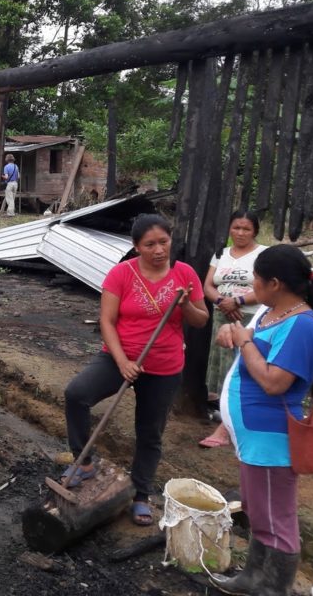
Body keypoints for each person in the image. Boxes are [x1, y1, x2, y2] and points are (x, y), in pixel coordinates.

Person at [63, 214, 208, 526]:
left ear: (172, 239)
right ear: (136, 246)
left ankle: (141, 494)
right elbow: (107, 321)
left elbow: (201, 320)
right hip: (120, 357)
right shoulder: (121, 274)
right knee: (76, 393)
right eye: (149, 244)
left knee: (149, 432)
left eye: (164, 242)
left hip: (164, 365)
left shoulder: (185, 274)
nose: (158, 250)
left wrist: (185, 305)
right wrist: (123, 362)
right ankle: (83, 461)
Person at [213, 245, 313, 596]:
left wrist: (243, 340)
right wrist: (236, 335)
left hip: (272, 438)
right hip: (254, 438)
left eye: (257, 281)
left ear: (275, 283)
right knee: (259, 512)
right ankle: (251, 579)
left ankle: (273, 589)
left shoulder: (302, 324)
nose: (252, 287)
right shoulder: (272, 311)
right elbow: (255, 345)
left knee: (277, 520)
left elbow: (274, 382)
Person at [199, 210, 266, 449]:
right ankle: (225, 413)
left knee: (242, 369)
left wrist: (237, 302)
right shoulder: (222, 254)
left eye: (246, 229)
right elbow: (207, 285)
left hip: (248, 319)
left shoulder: (263, 255)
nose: (240, 233)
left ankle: (228, 427)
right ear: (229, 228)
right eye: (236, 227)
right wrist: (221, 302)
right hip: (221, 317)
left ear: (255, 231)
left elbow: (267, 289)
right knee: (221, 368)